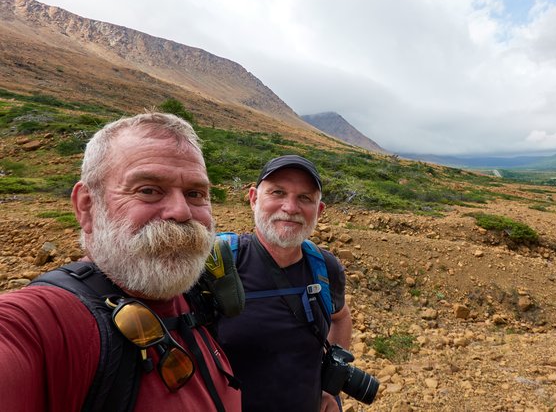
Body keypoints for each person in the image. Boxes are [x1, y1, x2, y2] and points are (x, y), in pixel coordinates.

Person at [0, 113, 241, 411]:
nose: (181, 211)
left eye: (195, 194)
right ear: (87, 206)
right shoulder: (43, 325)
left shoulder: (198, 296)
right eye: (148, 190)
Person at [216, 155, 353, 412]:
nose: (290, 207)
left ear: (319, 210)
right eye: (278, 192)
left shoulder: (325, 268)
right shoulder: (219, 265)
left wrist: (328, 388)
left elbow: (341, 317)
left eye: (304, 198)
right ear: (254, 198)